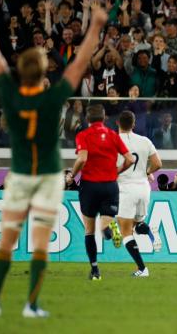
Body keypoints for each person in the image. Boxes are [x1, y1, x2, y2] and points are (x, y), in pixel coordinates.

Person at [0, 0, 108, 318]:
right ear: (45, 70)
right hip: (48, 177)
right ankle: (31, 305)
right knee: (40, 243)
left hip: (19, 177)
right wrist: (95, 27)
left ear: (20, 70)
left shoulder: (8, 92)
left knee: (6, 241)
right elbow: (78, 64)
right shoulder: (54, 98)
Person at [71, 104, 135, 281]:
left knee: (89, 231)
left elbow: (82, 158)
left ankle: (95, 270)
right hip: (110, 185)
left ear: (87, 119)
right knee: (105, 220)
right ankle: (106, 227)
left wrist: (72, 174)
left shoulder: (83, 135)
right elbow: (130, 159)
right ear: (105, 118)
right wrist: (118, 170)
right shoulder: (113, 135)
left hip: (90, 186)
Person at [116, 110, 163, 277]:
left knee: (125, 231)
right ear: (134, 124)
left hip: (125, 189)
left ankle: (142, 269)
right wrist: (146, 172)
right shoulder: (145, 140)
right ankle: (148, 230)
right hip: (144, 188)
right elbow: (158, 163)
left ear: (117, 123)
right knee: (135, 224)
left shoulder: (114, 141)